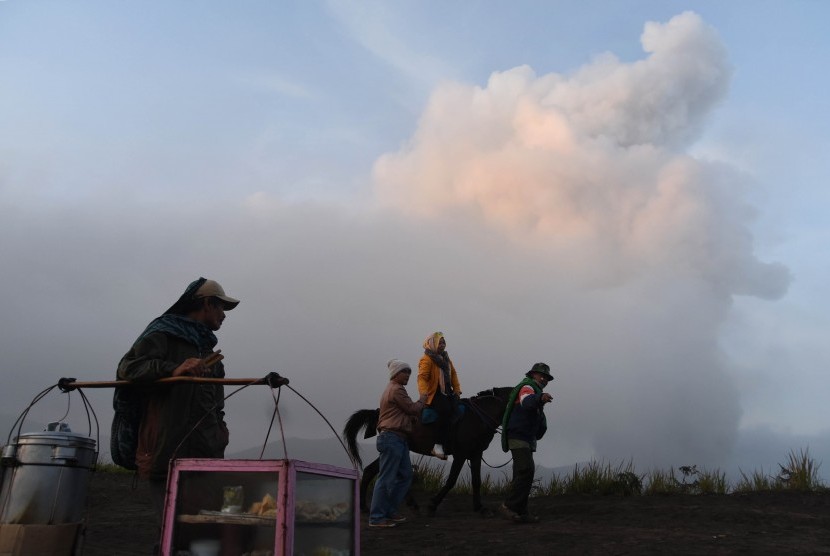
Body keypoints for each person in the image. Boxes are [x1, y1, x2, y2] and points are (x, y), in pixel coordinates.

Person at [116, 277, 240, 508]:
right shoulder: (163, 334)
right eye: (221, 307)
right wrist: (173, 369)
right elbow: (128, 368)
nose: (224, 314)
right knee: (169, 532)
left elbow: (217, 404)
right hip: (166, 452)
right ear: (207, 304)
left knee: (200, 529)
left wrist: (219, 434)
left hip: (205, 454)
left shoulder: (209, 351)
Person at [369, 359, 427, 528]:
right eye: (404, 372)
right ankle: (377, 517)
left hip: (398, 439)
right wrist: (423, 398)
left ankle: (389, 511)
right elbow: (412, 408)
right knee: (386, 478)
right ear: (395, 374)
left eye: (409, 372)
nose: (408, 375)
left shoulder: (394, 390)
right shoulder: (396, 390)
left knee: (405, 475)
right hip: (392, 438)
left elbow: (405, 413)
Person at [499, 362, 554, 524]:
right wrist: (540, 398)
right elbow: (526, 401)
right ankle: (507, 506)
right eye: (541, 375)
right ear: (532, 375)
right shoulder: (527, 387)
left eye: (546, 377)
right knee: (526, 469)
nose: (544, 379)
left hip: (526, 438)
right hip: (518, 436)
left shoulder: (534, 389)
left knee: (522, 473)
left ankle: (521, 511)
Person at [417, 331, 461, 459]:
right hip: (434, 392)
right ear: (432, 344)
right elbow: (422, 377)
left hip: (447, 391)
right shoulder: (427, 359)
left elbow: (453, 374)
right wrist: (423, 393)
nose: (442, 345)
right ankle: (437, 444)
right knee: (445, 411)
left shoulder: (446, 358)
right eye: (439, 342)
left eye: (444, 342)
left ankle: (451, 441)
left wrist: (457, 389)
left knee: (458, 411)